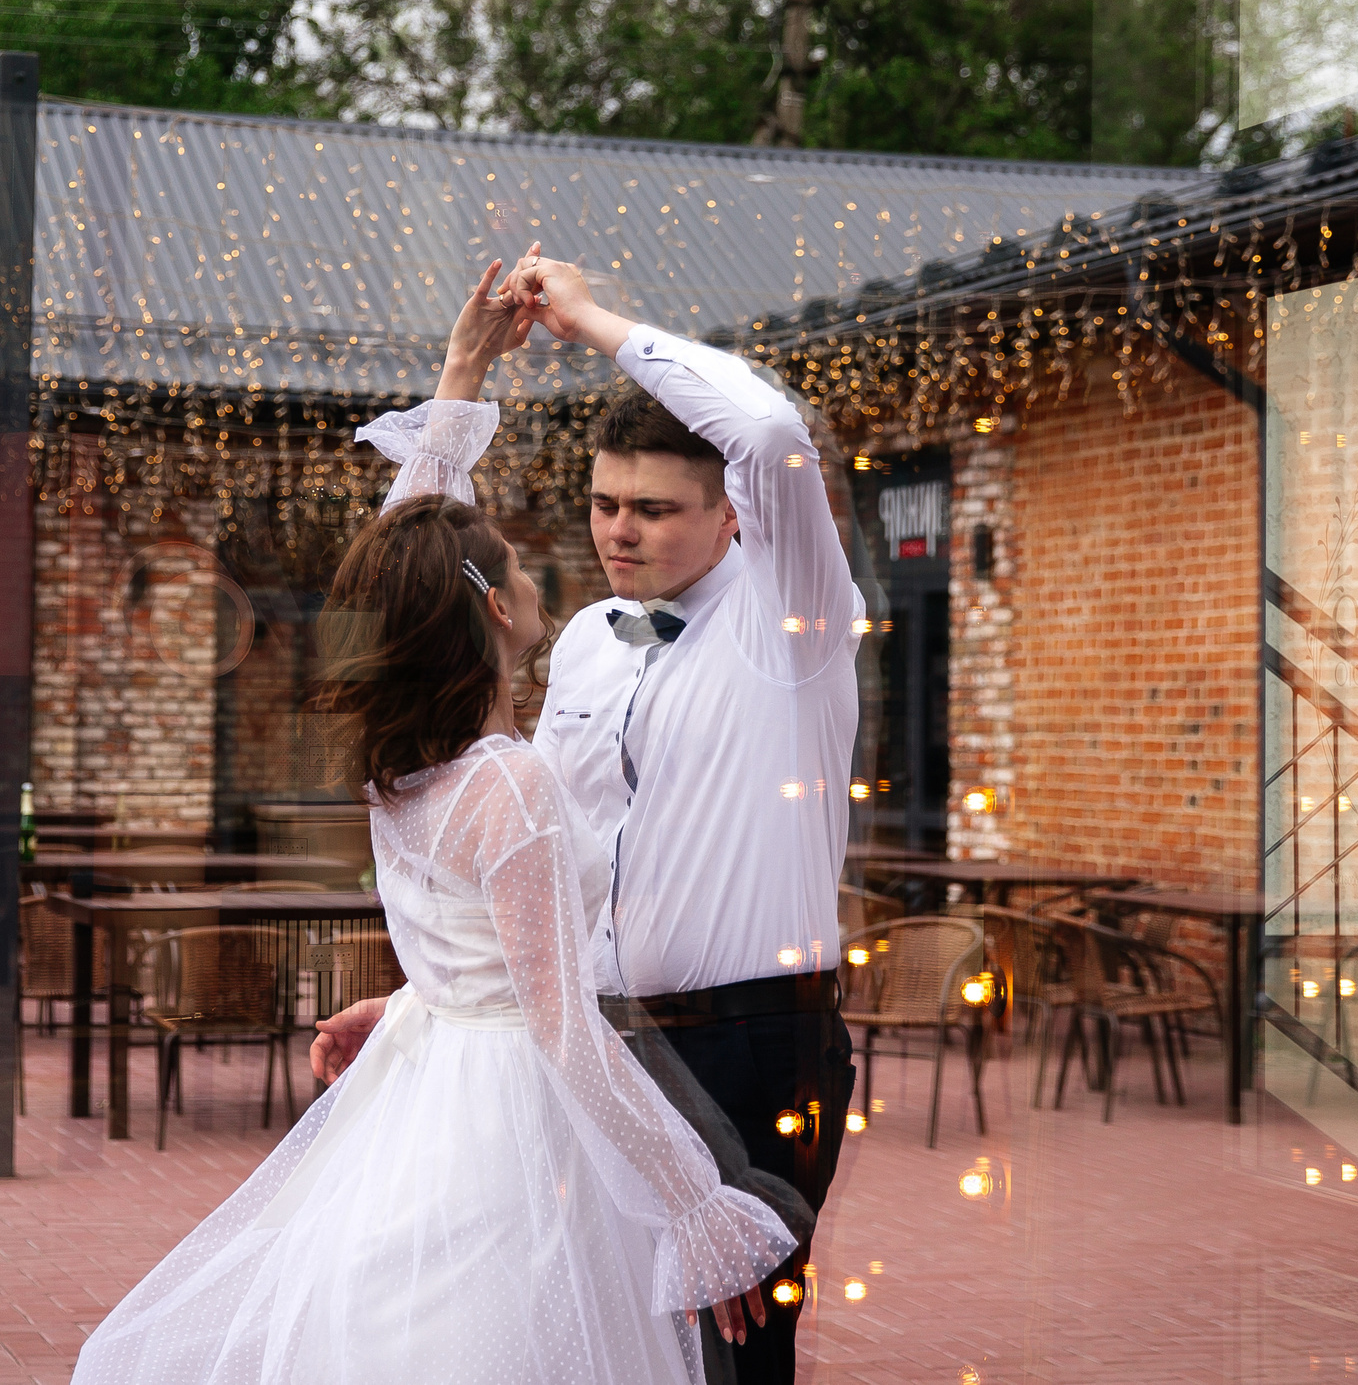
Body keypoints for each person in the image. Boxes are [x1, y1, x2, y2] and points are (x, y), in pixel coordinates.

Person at [68, 261, 796, 1385]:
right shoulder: (508, 786)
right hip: (512, 1110)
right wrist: (696, 1201)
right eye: (518, 560)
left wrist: (464, 372)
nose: (574, 547)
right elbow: (562, 1030)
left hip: (430, 1081)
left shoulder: (400, 772)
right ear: (498, 609)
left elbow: (404, 557)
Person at [321, 248, 863, 1385]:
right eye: (605, 503)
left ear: (732, 519)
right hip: (595, 1053)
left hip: (751, 1041)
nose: (622, 531)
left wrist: (591, 319)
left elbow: (768, 434)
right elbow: (415, 581)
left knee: (734, 1356)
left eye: (658, 510)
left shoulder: (795, 618)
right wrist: (442, 993)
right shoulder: (577, 643)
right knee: (606, 1347)